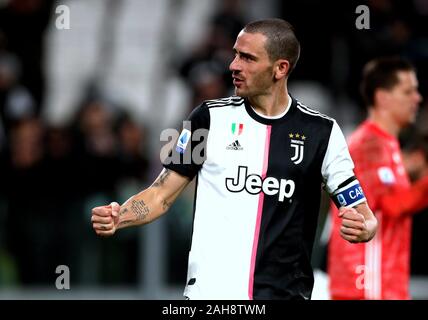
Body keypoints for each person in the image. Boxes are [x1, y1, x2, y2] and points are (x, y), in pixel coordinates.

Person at [91, 18, 377, 300]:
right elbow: (161, 194)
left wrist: (364, 228)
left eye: (248, 58)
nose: (234, 65)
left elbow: (362, 213)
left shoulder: (322, 133)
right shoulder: (206, 118)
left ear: (280, 68)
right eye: (235, 55)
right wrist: (121, 216)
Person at [328, 57, 428, 300]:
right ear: (383, 97)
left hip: (382, 283)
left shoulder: (386, 144)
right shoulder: (368, 145)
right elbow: (390, 207)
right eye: (408, 91)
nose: (417, 98)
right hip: (366, 283)